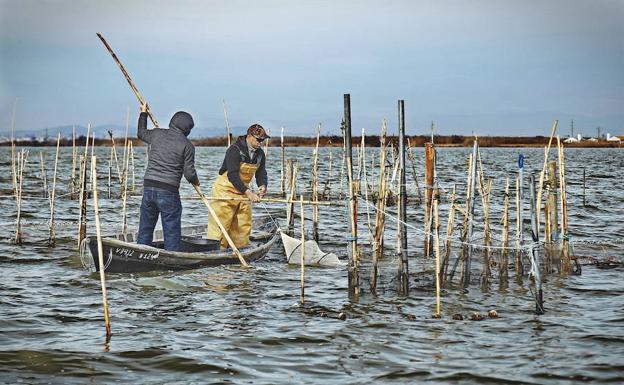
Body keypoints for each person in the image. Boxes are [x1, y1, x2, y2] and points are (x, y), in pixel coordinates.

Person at [136, 104, 200, 251]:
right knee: (171, 231)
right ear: (187, 130)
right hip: (169, 191)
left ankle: (141, 254)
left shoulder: (157, 134)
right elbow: (189, 173)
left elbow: (141, 133)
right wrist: (196, 181)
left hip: (148, 187)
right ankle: (172, 260)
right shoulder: (188, 146)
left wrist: (143, 114)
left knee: (145, 228)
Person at [207, 124, 269, 249]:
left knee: (243, 226)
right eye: (259, 140)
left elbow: (261, 172)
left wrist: (262, 185)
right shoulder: (234, 150)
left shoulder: (260, 154)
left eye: (263, 140)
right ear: (249, 136)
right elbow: (233, 175)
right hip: (224, 191)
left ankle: (240, 251)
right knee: (221, 226)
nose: (261, 143)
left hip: (242, 192)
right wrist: (249, 193)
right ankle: (216, 252)